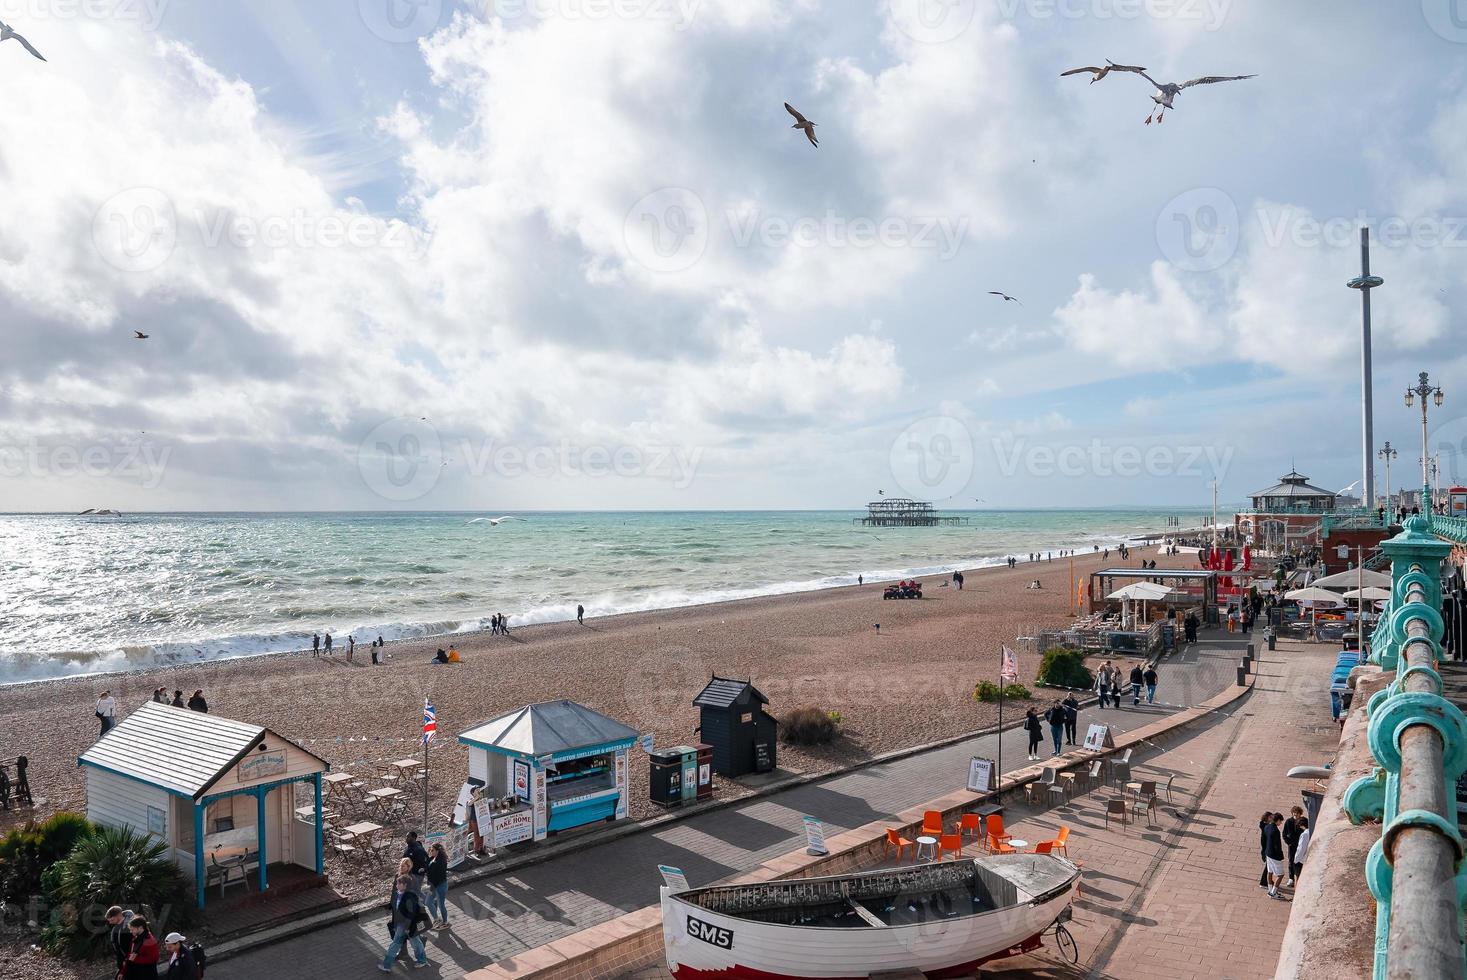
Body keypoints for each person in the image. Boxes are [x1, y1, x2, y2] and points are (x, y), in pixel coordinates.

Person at [380, 875, 429, 972]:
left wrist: (407, 927)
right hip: (401, 925)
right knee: (416, 942)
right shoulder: (397, 894)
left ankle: (386, 965)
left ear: (405, 885)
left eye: (398, 883)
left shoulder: (410, 897)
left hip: (406, 925)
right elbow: (396, 910)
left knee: (396, 944)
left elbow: (410, 914)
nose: (396, 885)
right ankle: (422, 960)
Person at [121, 914, 160, 979]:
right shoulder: (135, 938)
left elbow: (154, 958)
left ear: (140, 928)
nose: (131, 932)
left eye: (132, 929)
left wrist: (135, 959)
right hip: (135, 973)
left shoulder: (150, 940)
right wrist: (123, 972)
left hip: (146, 975)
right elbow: (130, 956)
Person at [425, 841, 450, 929]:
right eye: (430, 850)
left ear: (437, 851)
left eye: (432, 850)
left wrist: (429, 887)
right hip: (433, 885)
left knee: (440, 904)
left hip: (440, 886)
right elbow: (427, 867)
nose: (430, 852)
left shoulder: (441, 862)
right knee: (428, 902)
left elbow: (437, 876)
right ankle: (437, 919)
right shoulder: (432, 858)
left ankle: (445, 922)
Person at [1264, 813, 1288, 898]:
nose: (1280, 823)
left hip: (1268, 853)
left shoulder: (1267, 827)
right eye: (1280, 821)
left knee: (1270, 872)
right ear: (1277, 820)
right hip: (1275, 855)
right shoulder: (1276, 831)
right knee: (1280, 874)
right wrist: (1280, 856)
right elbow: (1277, 845)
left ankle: (1270, 890)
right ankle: (1273, 892)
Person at [106, 906, 134, 976]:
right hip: (123, 963)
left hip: (132, 963)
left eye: (111, 920)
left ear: (118, 915)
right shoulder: (116, 928)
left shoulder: (131, 927)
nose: (110, 923)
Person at [1282, 805, 1304, 887]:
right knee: (1291, 861)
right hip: (1292, 846)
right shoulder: (1288, 822)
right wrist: (1289, 843)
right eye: (1294, 814)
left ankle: (1298, 876)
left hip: (1300, 845)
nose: (1295, 816)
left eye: (1297, 814)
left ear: (1300, 814)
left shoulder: (1302, 822)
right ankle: (1291, 878)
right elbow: (1284, 834)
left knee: (1300, 860)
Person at [1259, 811, 1275, 888]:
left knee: (1269, 866)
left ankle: (1267, 881)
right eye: (1271, 817)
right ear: (1268, 818)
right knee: (1268, 866)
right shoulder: (1267, 828)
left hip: (1265, 849)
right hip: (1267, 849)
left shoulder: (1265, 826)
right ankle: (1263, 882)